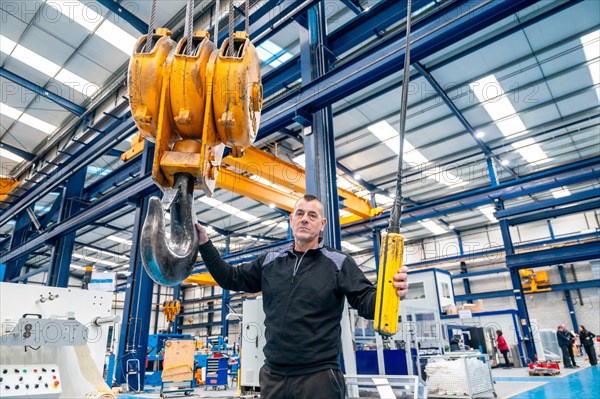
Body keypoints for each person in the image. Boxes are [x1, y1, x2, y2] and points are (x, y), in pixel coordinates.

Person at [195, 194, 409, 399]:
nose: (305, 219)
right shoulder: (270, 261)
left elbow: (367, 303)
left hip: (318, 378)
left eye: (312, 215)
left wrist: (392, 291)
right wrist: (205, 243)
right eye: (300, 213)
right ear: (291, 220)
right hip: (273, 377)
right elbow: (230, 278)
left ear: (322, 224)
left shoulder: (338, 263)